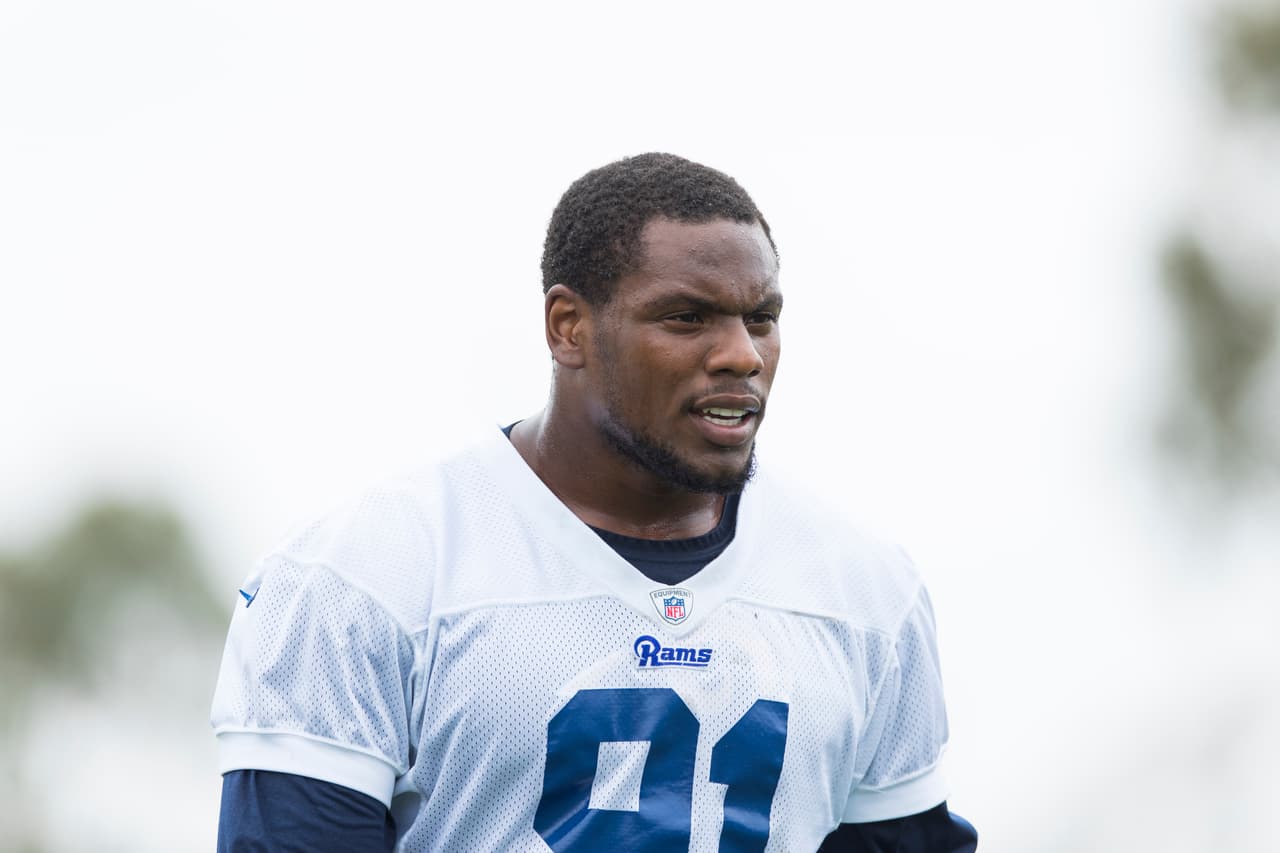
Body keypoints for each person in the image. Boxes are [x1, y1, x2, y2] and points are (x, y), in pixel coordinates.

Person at [211, 152, 978, 852]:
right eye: (688, 316)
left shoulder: (866, 590)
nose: (742, 353)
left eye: (761, 318)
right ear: (568, 327)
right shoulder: (365, 570)